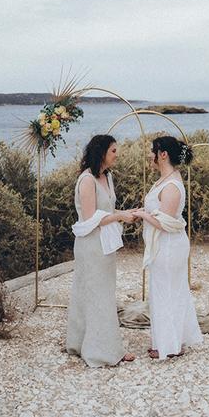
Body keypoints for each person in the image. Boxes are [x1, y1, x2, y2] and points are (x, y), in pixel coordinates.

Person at [66, 134, 136, 367]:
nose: (117, 155)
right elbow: (90, 218)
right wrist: (120, 217)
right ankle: (102, 351)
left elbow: (107, 209)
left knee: (104, 293)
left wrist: (127, 213)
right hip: (91, 246)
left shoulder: (107, 177)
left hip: (105, 244)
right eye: (114, 150)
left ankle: (89, 342)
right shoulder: (87, 180)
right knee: (96, 294)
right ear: (102, 152)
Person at [132, 136, 203, 359]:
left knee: (168, 292)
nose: (149, 155)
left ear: (163, 155)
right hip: (162, 245)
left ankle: (171, 345)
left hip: (170, 246)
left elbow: (166, 222)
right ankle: (166, 340)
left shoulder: (172, 185)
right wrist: (144, 211)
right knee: (162, 291)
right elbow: (159, 210)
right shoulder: (164, 180)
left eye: (153, 151)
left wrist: (143, 214)